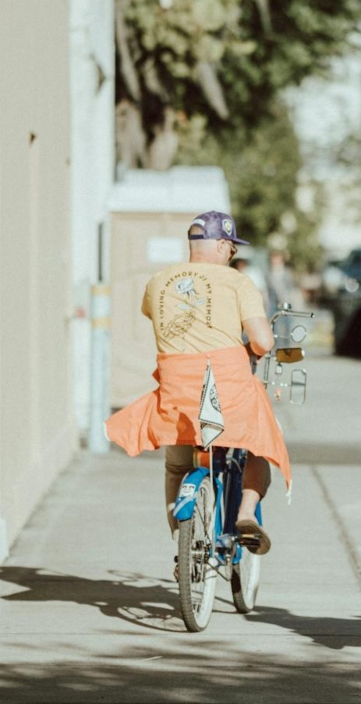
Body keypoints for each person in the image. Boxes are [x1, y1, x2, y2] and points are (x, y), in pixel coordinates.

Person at [106, 211, 289, 556]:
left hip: (178, 394)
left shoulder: (159, 281)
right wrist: (247, 349)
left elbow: (155, 315)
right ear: (221, 245)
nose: (232, 254)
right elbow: (263, 342)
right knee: (260, 443)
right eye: (232, 248)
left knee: (177, 465)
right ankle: (246, 513)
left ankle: (183, 542)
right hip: (228, 391)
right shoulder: (238, 282)